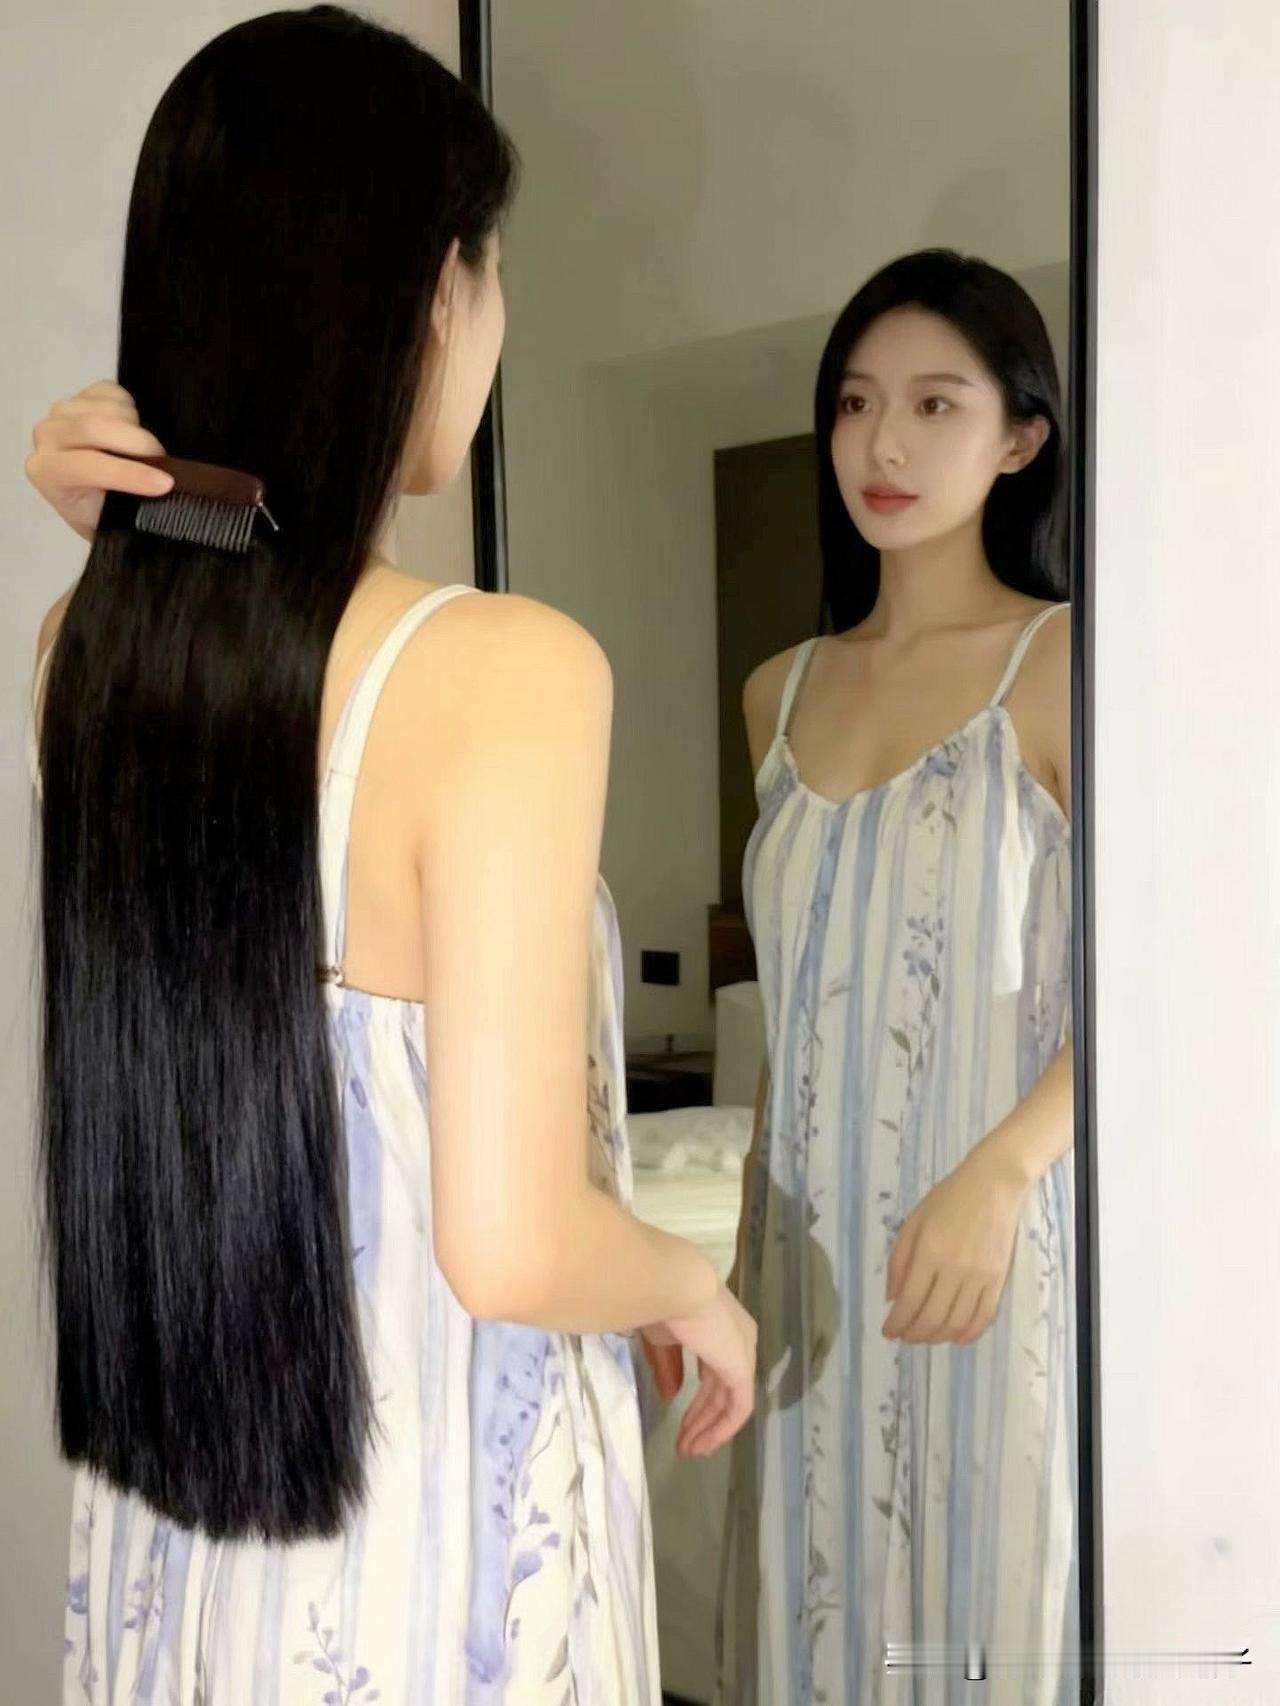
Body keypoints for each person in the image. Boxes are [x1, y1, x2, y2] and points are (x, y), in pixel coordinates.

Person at [23, 9, 754, 1701]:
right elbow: (511, 1241)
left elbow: (254, 573)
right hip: (431, 1528)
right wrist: (693, 1285)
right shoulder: (504, 668)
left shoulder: (84, 652)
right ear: (436, 292)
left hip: (192, 1536)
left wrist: (142, 515)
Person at [717, 251, 1076, 1705]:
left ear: (1020, 439)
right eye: (858, 403)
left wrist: (1006, 1168)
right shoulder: (777, 689)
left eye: (937, 404)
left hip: (985, 1241)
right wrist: (740, 1268)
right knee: (815, 1621)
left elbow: (1177, 970)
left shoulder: (1065, 662)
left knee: (983, 1608)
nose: (885, 442)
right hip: (801, 1259)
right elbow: (797, 1005)